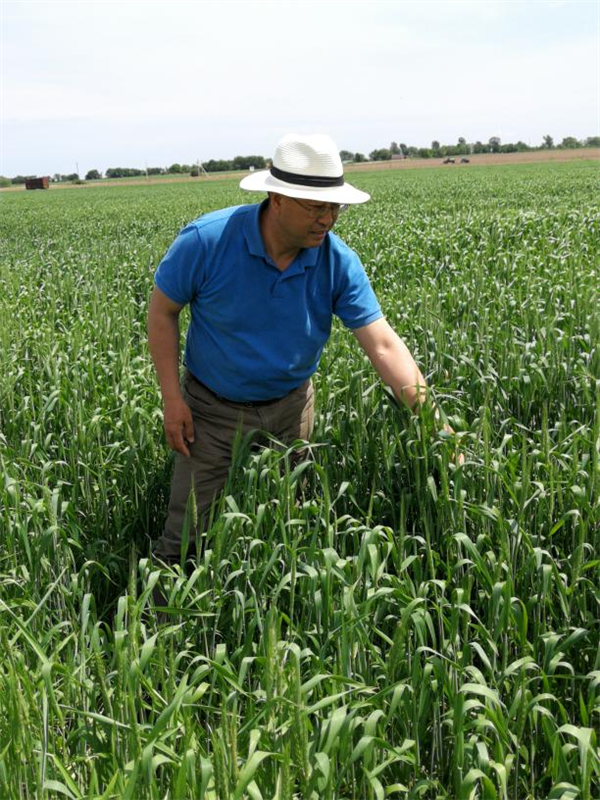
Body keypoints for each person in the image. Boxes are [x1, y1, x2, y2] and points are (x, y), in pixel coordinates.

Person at [148, 133, 453, 566]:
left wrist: (438, 427)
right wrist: (172, 399)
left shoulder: (336, 261)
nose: (328, 219)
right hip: (212, 413)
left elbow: (384, 345)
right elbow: (162, 311)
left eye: (335, 208)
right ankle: (166, 605)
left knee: (287, 528)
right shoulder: (207, 242)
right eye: (316, 207)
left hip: (291, 411)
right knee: (186, 539)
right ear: (276, 198)